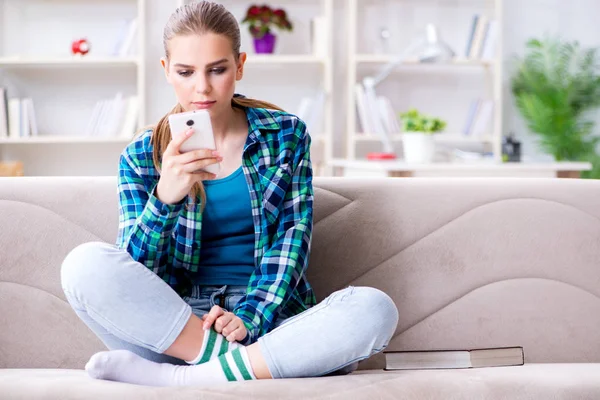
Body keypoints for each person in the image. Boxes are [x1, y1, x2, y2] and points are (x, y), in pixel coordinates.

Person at [60, 0, 398, 387]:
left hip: (268, 319)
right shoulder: (140, 157)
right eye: (186, 72)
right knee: (82, 265)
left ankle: (185, 378)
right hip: (176, 325)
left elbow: (292, 242)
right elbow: (137, 273)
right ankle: (231, 366)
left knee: (373, 308)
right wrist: (164, 200)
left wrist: (249, 318)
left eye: (217, 70)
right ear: (166, 70)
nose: (201, 87)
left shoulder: (286, 135)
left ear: (239, 65)